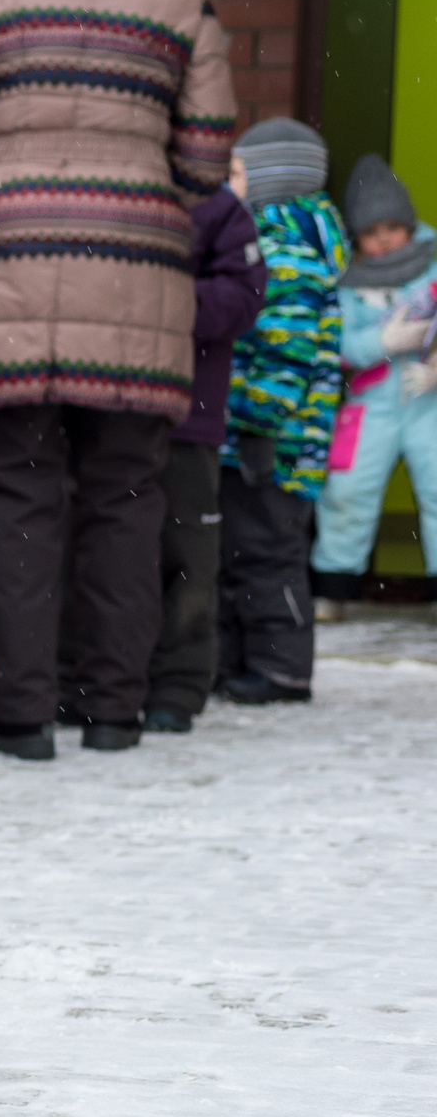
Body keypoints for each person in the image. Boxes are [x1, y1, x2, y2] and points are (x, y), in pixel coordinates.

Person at [0, 0, 235, 760]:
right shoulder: (186, 7)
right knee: (125, 499)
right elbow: (208, 158)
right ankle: (111, 711)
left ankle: (21, 714)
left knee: (16, 491)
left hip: (5, 267)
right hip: (137, 281)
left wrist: (8, 178)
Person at [60, 178, 264, 733]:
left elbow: (245, 296)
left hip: (186, 412)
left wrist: (162, 301)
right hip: (98, 408)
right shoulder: (100, 190)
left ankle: (177, 684)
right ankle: (86, 679)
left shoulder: (218, 207)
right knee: (97, 547)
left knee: (186, 552)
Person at [213, 121, 347, 702]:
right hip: (262, 437)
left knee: (266, 552)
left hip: (272, 442)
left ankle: (281, 668)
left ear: (270, 181)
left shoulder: (284, 253)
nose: (229, 183)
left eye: (239, 172)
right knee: (240, 552)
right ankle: (241, 661)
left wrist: (255, 421)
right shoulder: (281, 243)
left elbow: (284, 352)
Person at [311, 155, 437, 619]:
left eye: (392, 227)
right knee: (347, 492)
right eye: (371, 231)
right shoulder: (347, 280)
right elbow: (337, 340)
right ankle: (334, 585)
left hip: (430, 398)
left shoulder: (433, 263)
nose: (383, 240)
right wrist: (380, 341)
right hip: (370, 401)